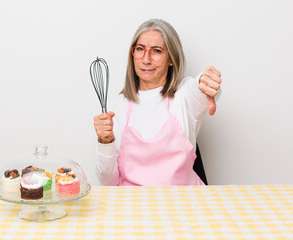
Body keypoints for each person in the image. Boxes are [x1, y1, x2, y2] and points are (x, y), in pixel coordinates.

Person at [94, 19, 222, 186]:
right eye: (140, 49)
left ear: (171, 58)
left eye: (156, 51)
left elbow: (199, 90)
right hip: (133, 204)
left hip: (185, 202)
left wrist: (207, 83)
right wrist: (105, 142)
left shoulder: (184, 95)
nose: (146, 59)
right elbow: (108, 182)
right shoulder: (116, 106)